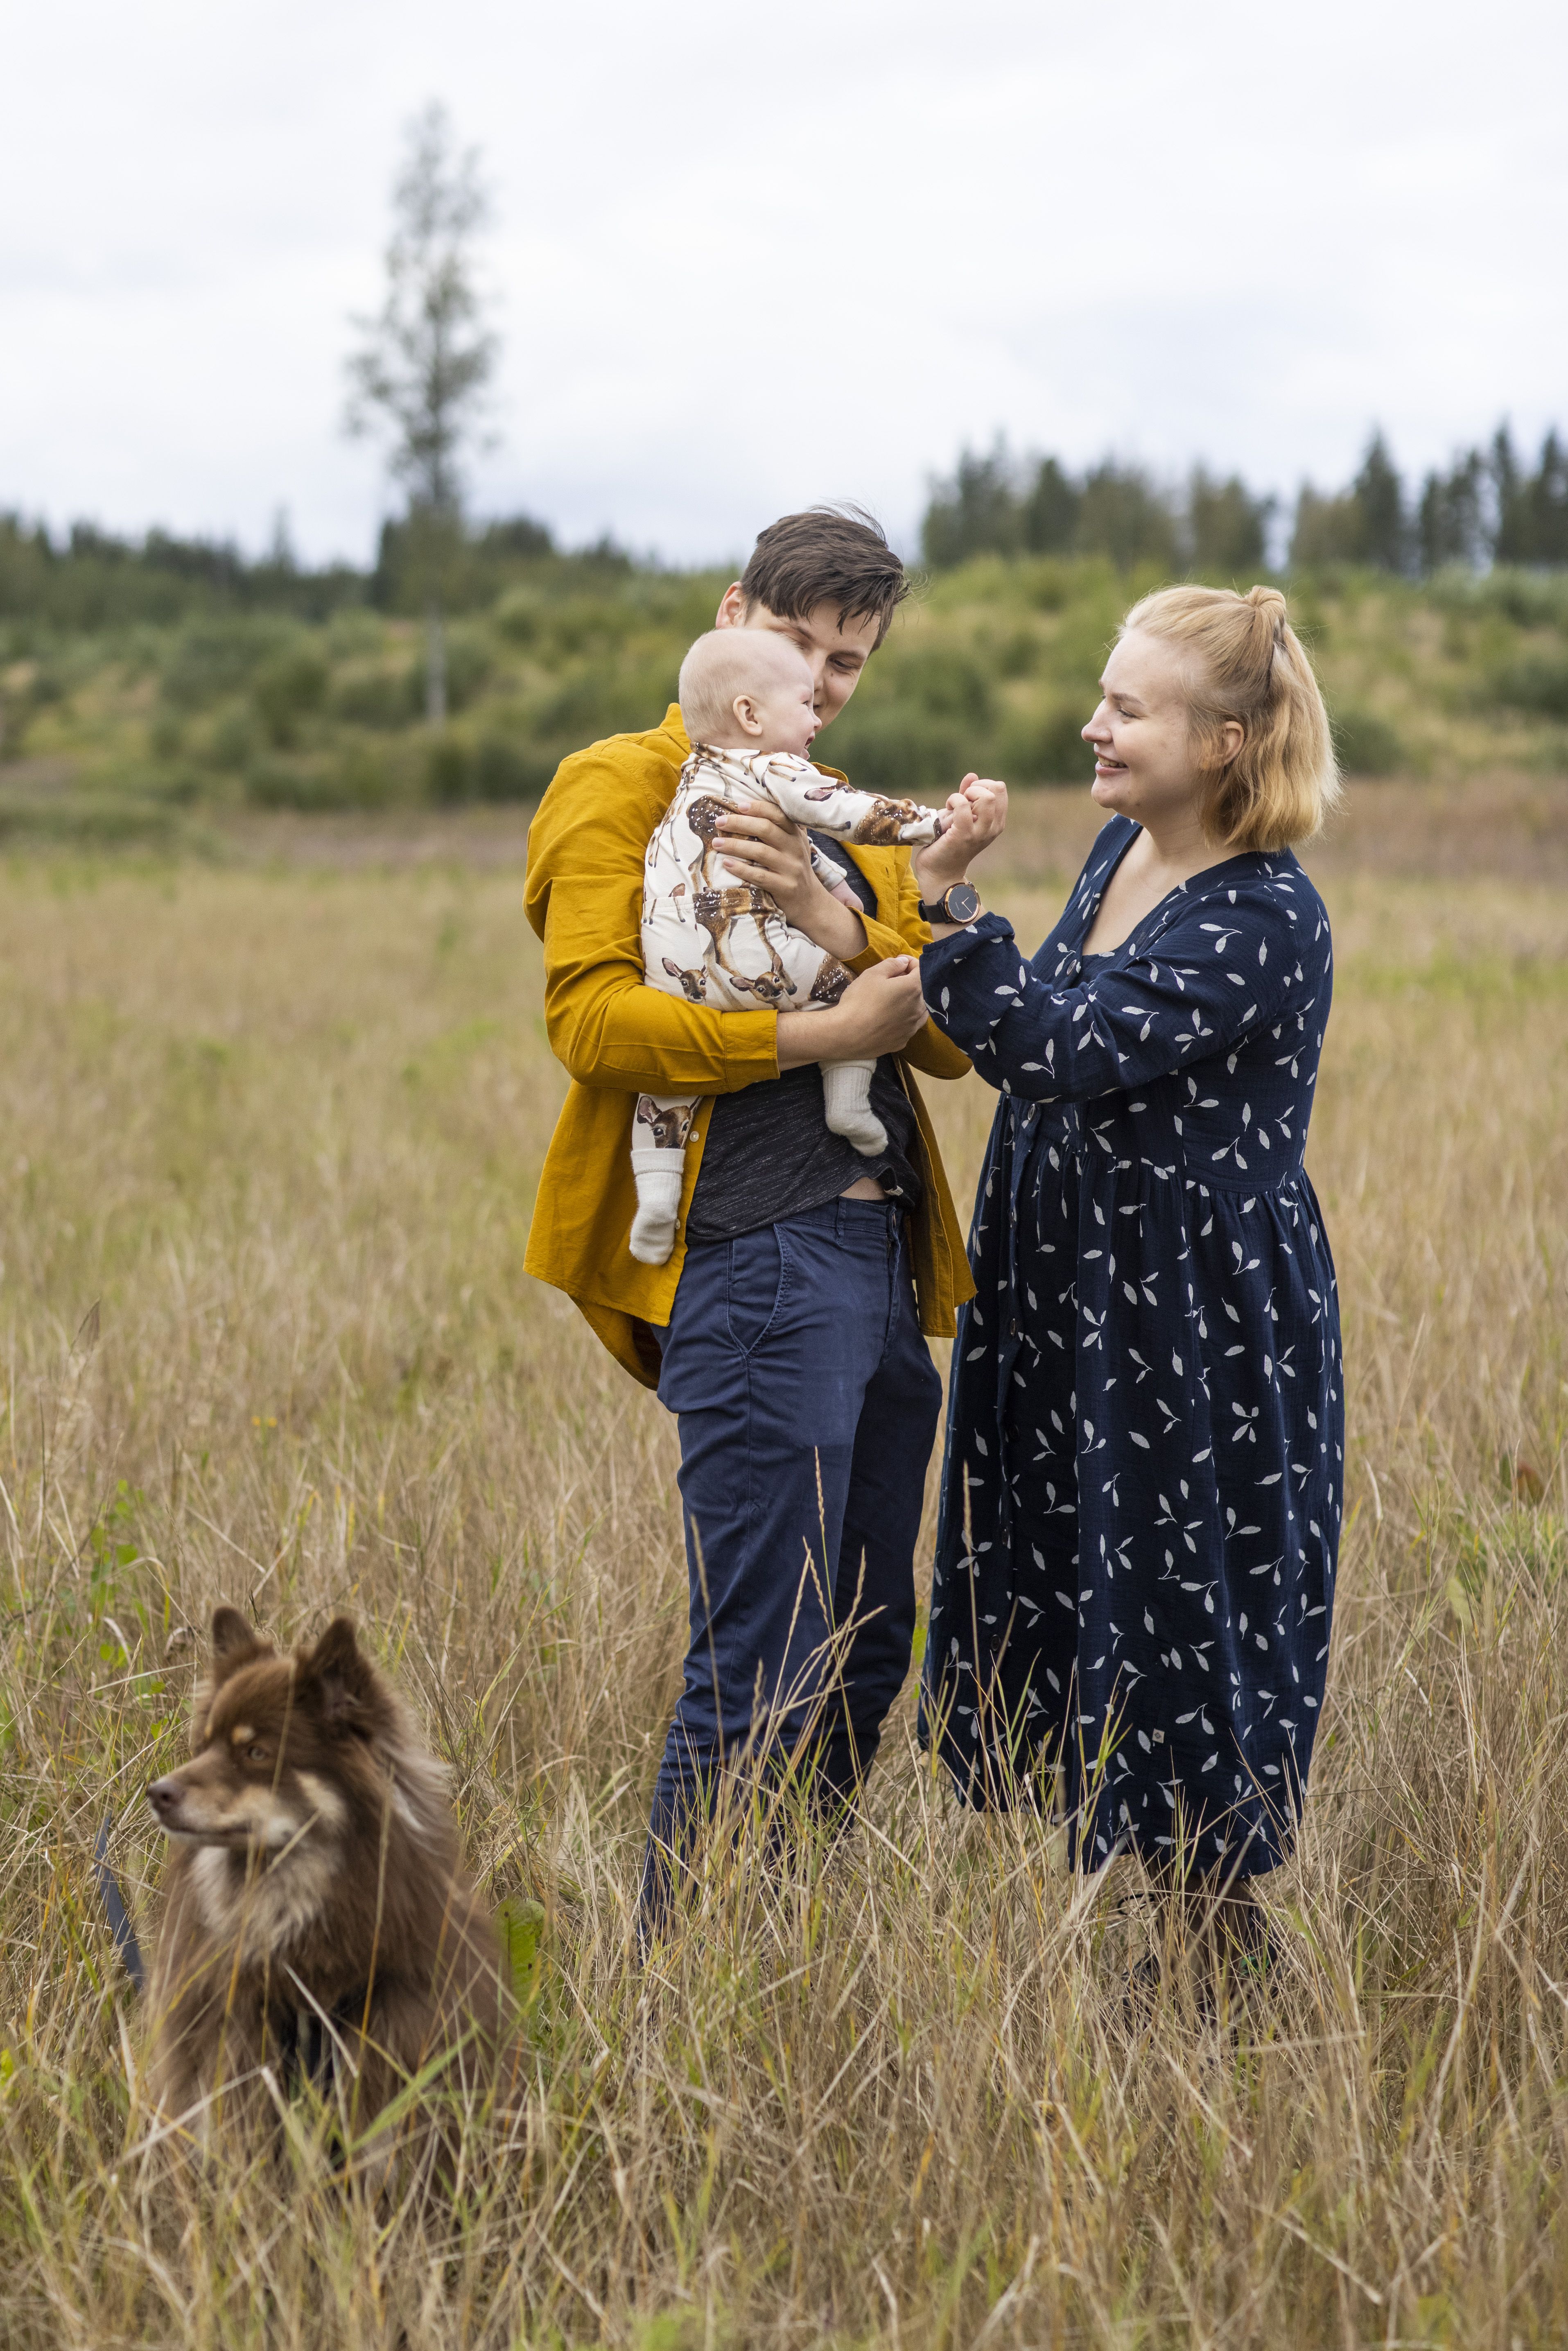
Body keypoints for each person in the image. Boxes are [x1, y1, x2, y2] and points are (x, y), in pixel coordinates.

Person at [522, 506, 1002, 1932]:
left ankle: (774, 1935)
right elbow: (594, 1020)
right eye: (798, 643)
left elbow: (944, 1033)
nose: (821, 679)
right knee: (758, 1664)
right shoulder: (622, 781)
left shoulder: (826, 800)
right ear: (735, 614)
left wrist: (845, 925)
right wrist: (812, 1039)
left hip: (879, 1259)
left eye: (847, 661)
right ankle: (680, 1992)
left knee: (865, 1660)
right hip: (751, 1255)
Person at [913, 582, 1344, 1970]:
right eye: (1102, 696)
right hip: (1076, 1290)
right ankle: (1134, 1943)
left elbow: (1056, 1046)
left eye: (1127, 708)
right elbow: (1032, 1027)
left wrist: (942, 903)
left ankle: (1218, 1960)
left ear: (1226, 741)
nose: (1090, 725)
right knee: (1072, 1580)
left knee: (1179, 1609)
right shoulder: (1121, 858)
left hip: (1189, 1320)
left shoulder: (1266, 914)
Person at [629, 626, 961, 1265]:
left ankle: (656, 1196)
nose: (816, 717)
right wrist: (933, 824)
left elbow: (796, 849)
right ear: (749, 715)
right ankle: (847, 1100)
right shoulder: (772, 765)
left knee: (664, 1093)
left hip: (674, 979)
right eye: (803, 702)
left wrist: (829, 887)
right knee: (853, 990)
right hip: (753, 957)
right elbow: (846, 814)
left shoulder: (691, 778)